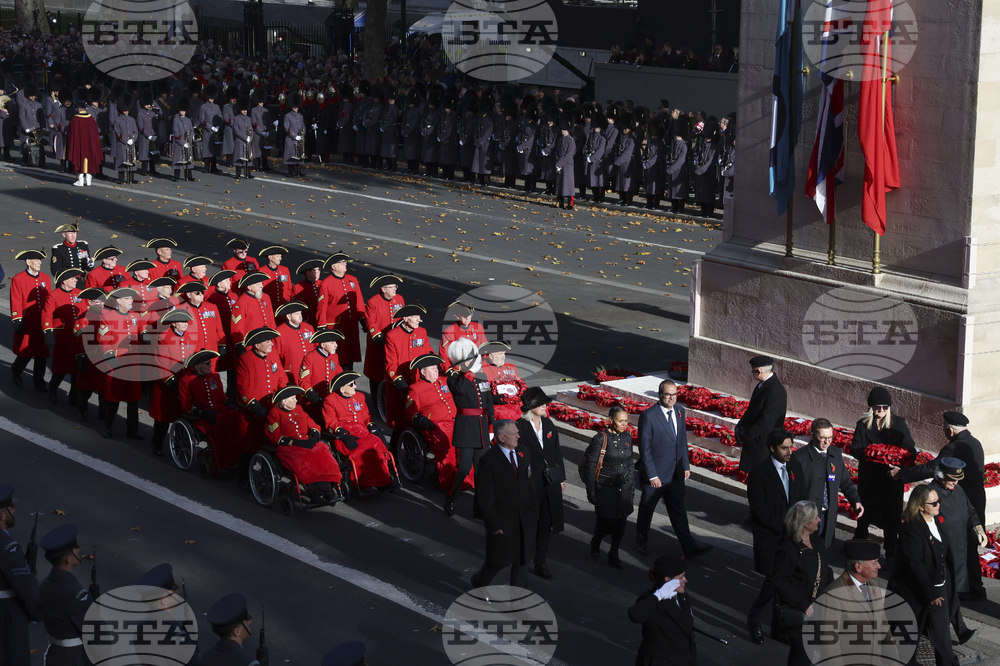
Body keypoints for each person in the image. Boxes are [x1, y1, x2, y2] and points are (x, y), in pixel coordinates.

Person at [896, 411, 987, 601]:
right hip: (972, 502)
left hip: (957, 504)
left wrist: (902, 474)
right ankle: (973, 587)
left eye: (945, 429)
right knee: (967, 548)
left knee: (957, 549)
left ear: (950, 430)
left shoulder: (952, 449)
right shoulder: (975, 442)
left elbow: (931, 468)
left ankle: (960, 588)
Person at [889, 484, 972, 666]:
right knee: (907, 641)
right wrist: (931, 592)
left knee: (942, 639)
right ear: (920, 506)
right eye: (933, 503)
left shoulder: (936, 522)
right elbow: (914, 564)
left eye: (938, 501)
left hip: (939, 590)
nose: (938, 505)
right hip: (918, 593)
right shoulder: (912, 529)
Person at [635, 380, 711, 559]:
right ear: (660, 395)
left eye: (674, 394)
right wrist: (652, 475)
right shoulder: (649, 416)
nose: (671, 398)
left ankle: (690, 548)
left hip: (675, 474)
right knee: (647, 509)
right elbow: (645, 449)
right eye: (668, 394)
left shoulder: (679, 411)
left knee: (679, 512)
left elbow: (681, 441)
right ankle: (641, 540)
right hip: (655, 475)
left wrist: (685, 465)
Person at [746, 429, 801, 645]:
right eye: (784, 448)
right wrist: (785, 526)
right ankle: (754, 618)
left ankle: (777, 627)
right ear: (772, 448)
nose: (789, 452)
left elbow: (801, 497)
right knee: (773, 582)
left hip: (792, 536)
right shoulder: (759, 472)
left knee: (784, 583)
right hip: (771, 537)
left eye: (791, 447)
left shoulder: (794, 466)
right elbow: (759, 509)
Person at [471, 420, 538, 589]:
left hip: (524, 518)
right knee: (497, 561)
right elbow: (485, 496)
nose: (518, 436)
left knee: (522, 561)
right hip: (503, 520)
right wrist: (493, 523)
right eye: (514, 433)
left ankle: (518, 600)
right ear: (501, 438)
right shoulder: (488, 460)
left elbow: (529, 483)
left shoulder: (523, 452)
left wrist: (534, 509)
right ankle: (479, 583)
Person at [850, 386, 914, 558]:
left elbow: (910, 448)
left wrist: (900, 462)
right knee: (865, 514)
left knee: (891, 517)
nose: (881, 411)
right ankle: (859, 546)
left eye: (885, 407)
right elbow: (855, 447)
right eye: (877, 407)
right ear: (871, 407)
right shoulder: (862, 424)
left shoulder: (898, 423)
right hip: (870, 478)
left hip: (891, 479)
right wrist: (870, 453)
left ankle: (891, 552)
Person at [812, 539, 898, 663]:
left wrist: (893, 660)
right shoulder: (833, 596)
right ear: (858, 567)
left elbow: (883, 626)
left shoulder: (873, 587)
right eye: (875, 562)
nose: (879, 566)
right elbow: (829, 643)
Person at [771, 501, 833, 666]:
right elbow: (780, 581)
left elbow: (826, 572)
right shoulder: (789, 548)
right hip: (799, 611)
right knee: (804, 655)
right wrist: (803, 604)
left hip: (816, 609)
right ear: (805, 523)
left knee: (799, 653)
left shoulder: (817, 543)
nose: (819, 520)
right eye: (816, 517)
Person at [790, 418, 863, 551]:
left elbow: (845, 481)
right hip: (807, 518)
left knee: (824, 550)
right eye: (823, 438)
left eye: (830, 437)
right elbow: (792, 490)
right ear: (812, 435)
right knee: (806, 551)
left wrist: (855, 501)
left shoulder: (835, 454)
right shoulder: (799, 457)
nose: (827, 441)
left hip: (828, 516)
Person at [516, 387, 565, 580]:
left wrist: (561, 477)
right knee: (529, 524)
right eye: (541, 403)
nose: (545, 405)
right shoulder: (519, 427)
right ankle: (522, 560)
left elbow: (557, 452)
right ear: (531, 406)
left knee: (546, 524)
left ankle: (540, 562)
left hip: (549, 482)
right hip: (530, 483)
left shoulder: (549, 424)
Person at [265, 385, 344, 505]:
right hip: (289, 447)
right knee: (307, 461)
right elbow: (275, 435)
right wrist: (297, 442)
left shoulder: (298, 409)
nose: (296, 400)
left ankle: (328, 491)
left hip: (306, 442)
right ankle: (316, 493)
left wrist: (314, 437)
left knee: (323, 455)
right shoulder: (274, 414)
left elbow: (312, 425)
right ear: (284, 401)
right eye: (293, 398)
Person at [444, 338, 495, 516]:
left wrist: (491, 426)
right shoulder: (453, 378)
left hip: (481, 427)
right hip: (465, 429)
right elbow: (461, 390)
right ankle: (451, 498)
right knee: (464, 468)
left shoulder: (482, 376)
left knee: (482, 471)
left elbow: (488, 403)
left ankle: (480, 507)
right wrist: (472, 371)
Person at [323, 371, 398, 492]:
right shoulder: (330, 401)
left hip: (363, 431)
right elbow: (331, 423)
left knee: (378, 445)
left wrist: (374, 429)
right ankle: (365, 483)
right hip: (345, 436)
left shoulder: (360, 397)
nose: (355, 386)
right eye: (351, 384)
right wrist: (344, 435)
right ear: (342, 389)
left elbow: (366, 417)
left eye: (354, 383)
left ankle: (383, 480)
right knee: (360, 450)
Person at [582, 406, 636, 569]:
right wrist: (591, 491)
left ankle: (614, 553)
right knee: (605, 524)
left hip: (624, 489)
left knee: (620, 526)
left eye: (626, 421)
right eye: (621, 421)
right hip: (606, 490)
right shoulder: (600, 439)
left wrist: (631, 486)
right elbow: (591, 467)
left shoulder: (627, 437)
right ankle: (596, 542)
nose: (624, 424)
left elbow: (630, 463)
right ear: (611, 420)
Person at [405, 353, 468, 491]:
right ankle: (449, 480)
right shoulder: (415, 388)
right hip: (435, 426)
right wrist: (422, 420)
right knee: (447, 442)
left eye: (436, 367)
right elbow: (410, 412)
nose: (437, 370)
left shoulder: (444, 381)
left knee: (467, 442)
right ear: (423, 372)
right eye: (432, 368)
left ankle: (466, 478)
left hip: (456, 420)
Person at [37, 524, 98, 666]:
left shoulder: (45, 585)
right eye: (75, 549)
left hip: (54, 654)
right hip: (75, 658)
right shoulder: (76, 593)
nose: (78, 549)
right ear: (68, 559)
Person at [178, 350, 247, 473]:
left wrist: (230, 402)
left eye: (210, 362)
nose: (210, 365)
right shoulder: (186, 381)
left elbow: (221, 397)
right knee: (222, 425)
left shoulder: (214, 376)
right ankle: (223, 462)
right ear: (197, 367)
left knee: (238, 419)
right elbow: (186, 406)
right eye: (207, 363)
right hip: (203, 417)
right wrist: (202, 412)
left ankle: (236, 459)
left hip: (220, 411)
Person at [627, 553, 697, 665]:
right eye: (681, 577)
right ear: (668, 579)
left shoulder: (684, 598)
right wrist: (658, 596)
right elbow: (635, 615)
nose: (686, 580)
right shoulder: (650, 600)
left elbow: (689, 636)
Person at [98, 286, 145, 440]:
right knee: (113, 399)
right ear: (118, 301)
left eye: (131, 298)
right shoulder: (108, 316)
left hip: (133, 364)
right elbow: (104, 340)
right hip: (116, 363)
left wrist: (145, 335)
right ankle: (108, 427)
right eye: (127, 298)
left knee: (133, 400)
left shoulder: (135, 315)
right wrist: (110, 358)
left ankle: (132, 430)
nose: (131, 301)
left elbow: (141, 327)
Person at [0, 485, 39, 666]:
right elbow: (27, 587)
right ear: (2, 515)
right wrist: (36, 613)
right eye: (10, 508)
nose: (14, 511)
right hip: (7, 617)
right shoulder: (7, 546)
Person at [149, 310, 197, 455]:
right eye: (182, 322)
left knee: (183, 417)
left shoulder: (189, 335)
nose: (185, 325)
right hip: (167, 385)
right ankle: (156, 444)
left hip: (184, 383)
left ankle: (179, 446)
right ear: (174, 323)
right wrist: (172, 382)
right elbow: (162, 364)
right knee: (163, 419)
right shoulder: (163, 337)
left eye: (186, 322)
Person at [136, 563, 200, 665]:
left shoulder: (141, 625)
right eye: (173, 591)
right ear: (164, 600)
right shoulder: (173, 630)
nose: (177, 592)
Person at [735, 355, 788, 474]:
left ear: (758, 371)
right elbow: (752, 409)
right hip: (755, 442)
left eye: (753, 371)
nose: (752, 373)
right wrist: (740, 426)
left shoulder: (774, 390)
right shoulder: (763, 385)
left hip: (763, 444)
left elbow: (767, 421)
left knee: (761, 478)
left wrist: (746, 435)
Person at [383, 305, 430, 435]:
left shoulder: (422, 332)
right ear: (405, 318)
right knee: (399, 421)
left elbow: (427, 353)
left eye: (419, 317)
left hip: (417, 380)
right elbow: (391, 364)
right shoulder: (392, 335)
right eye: (415, 317)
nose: (418, 320)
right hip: (399, 383)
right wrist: (401, 384)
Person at [42, 268, 85, 405]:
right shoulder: (54, 295)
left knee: (76, 368)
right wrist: (48, 331)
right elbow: (47, 314)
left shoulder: (78, 293)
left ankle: (74, 396)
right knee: (61, 367)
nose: (76, 280)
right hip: (63, 337)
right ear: (64, 281)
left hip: (78, 336)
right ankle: (53, 388)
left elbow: (84, 310)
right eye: (73, 278)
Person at [316, 252, 365, 370]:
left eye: (345, 262)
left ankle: (349, 377)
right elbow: (322, 307)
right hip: (336, 327)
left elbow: (359, 302)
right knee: (339, 356)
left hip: (351, 325)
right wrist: (322, 326)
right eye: (341, 262)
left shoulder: (352, 280)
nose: (345, 264)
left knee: (351, 355)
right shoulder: (326, 283)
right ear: (333, 266)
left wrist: (363, 319)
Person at [10, 249, 51, 391]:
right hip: (28, 322)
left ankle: (39, 382)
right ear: (28, 262)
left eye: (40, 260)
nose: (40, 263)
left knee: (42, 353)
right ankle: (16, 370)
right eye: (37, 260)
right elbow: (16, 300)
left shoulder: (45, 278)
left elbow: (49, 300)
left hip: (42, 322)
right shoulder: (18, 279)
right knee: (25, 353)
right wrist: (17, 320)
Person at [363, 274, 405, 395]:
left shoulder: (399, 299)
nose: (395, 289)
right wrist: (378, 337)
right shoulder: (373, 302)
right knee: (377, 373)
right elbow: (371, 323)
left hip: (395, 342)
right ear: (383, 289)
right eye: (392, 287)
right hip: (379, 343)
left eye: (395, 286)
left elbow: (402, 318)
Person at [202, 593, 256, 666]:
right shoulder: (248, 663)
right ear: (237, 632)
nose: (249, 622)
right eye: (246, 622)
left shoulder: (206, 656)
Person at [231, 273, 276, 350]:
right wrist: (240, 345)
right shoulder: (241, 303)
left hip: (267, 342)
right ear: (249, 287)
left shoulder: (266, 297)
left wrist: (274, 337)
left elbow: (271, 319)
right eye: (258, 284)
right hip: (252, 345)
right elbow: (237, 328)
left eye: (261, 283)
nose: (262, 286)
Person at [274, 301, 315, 385]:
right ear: (289, 316)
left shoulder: (308, 327)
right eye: (297, 314)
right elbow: (275, 355)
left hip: (311, 368)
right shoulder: (279, 332)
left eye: (300, 313)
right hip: (293, 371)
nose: (300, 316)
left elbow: (315, 346)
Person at [65, 97, 102, 186]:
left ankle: (80, 180)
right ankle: (89, 180)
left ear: (78, 109)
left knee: (79, 159)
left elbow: (71, 133)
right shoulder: (91, 119)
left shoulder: (75, 119)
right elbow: (95, 134)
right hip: (90, 145)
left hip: (79, 145)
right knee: (90, 160)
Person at [290, 260, 324, 327]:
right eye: (315, 270)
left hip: (321, 318)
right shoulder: (298, 287)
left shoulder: (322, 284)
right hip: (307, 319)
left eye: (318, 270)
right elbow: (293, 305)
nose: (318, 272)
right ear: (308, 273)